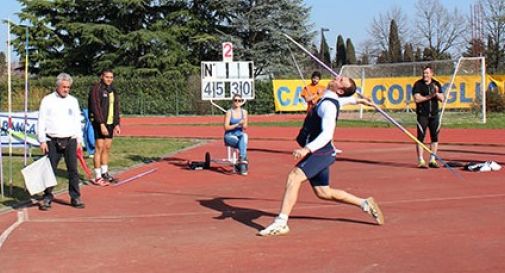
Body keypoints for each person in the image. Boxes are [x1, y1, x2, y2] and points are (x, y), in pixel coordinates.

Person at [258, 76, 384, 236]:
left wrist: (307, 149)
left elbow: (327, 134)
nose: (337, 77)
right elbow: (340, 101)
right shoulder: (329, 99)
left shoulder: (329, 106)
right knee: (323, 192)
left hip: (321, 152)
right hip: (322, 152)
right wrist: (358, 100)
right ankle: (364, 203)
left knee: (294, 177)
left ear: (339, 89)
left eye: (341, 80)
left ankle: (281, 222)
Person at [37, 73, 85, 210]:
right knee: (50, 170)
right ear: (57, 86)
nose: (66, 90)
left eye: (68, 87)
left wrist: (79, 140)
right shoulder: (47, 100)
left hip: (70, 139)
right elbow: (41, 121)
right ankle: (47, 197)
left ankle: (75, 196)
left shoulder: (73, 101)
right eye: (64, 87)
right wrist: (42, 140)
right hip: (52, 140)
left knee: (73, 170)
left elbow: (77, 121)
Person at [88, 69, 121, 185]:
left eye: (111, 77)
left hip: (110, 122)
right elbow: (95, 107)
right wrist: (101, 124)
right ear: (102, 77)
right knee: (99, 148)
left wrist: (117, 123)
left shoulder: (113, 90)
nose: (109, 79)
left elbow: (116, 107)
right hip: (100, 122)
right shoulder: (96, 89)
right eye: (107, 77)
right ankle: (97, 176)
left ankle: (105, 173)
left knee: (107, 148)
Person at [412, 65, 444, 168]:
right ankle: (421, 160)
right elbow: (417, 99)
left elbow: (442, 98)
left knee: (434, 137)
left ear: (431, 74)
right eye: (424, 73)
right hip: (422, 115)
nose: (425, 75)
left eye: (427, 73)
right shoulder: (418, 84)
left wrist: (436, 93)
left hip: (434, 115)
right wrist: (430, 96)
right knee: (420, 137)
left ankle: (432, 159)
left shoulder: (436, 84)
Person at [224, 94, 249, 175]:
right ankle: (243, 160)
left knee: (244, 136)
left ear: (242, 102)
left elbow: (245, 127)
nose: (237, 102)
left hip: (240, 135)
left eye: (239, 100)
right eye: (235, 100)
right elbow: (226, 127)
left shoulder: (244, 112)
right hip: (229, 135)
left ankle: (241, 161)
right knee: (242, 142)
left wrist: (243, 123)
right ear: (233, 101)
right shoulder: (229, 112)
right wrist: (237, 124)